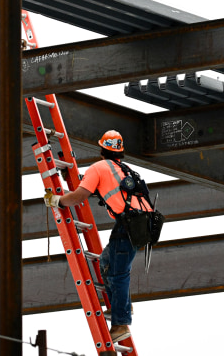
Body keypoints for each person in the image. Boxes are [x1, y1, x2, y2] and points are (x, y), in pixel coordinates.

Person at [44, 130, 152, 343]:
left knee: (117, 274)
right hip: (140, 223)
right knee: (106, 262)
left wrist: (58, 201)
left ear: (101, 149)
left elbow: (79, 196)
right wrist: (72, 177)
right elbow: (95, 188)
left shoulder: (99, 167)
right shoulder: (124, 169)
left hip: (128, 224)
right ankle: (124, 305)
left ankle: (121, 324)